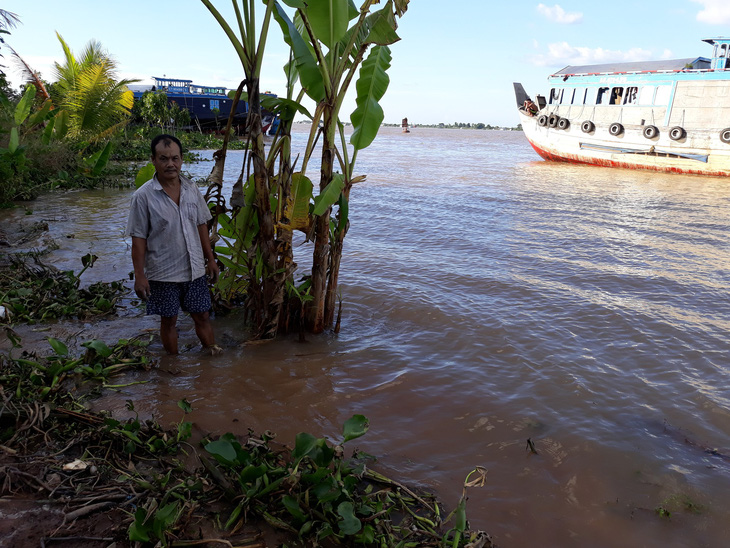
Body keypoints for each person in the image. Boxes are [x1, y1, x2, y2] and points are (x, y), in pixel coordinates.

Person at [126, 134, 221, 355]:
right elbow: (138, 239)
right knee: (169, 321)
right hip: (163, 272)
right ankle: (173, 364)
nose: (170, 164)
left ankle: (213, 356)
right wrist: (140, 275)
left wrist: (211, 259)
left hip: (194, 270)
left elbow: (201, 225)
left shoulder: (191, 189)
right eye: (164, 158)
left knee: (203, 315)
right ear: (153, 160)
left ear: (181, 160)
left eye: (175, 158)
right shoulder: (143, 197)